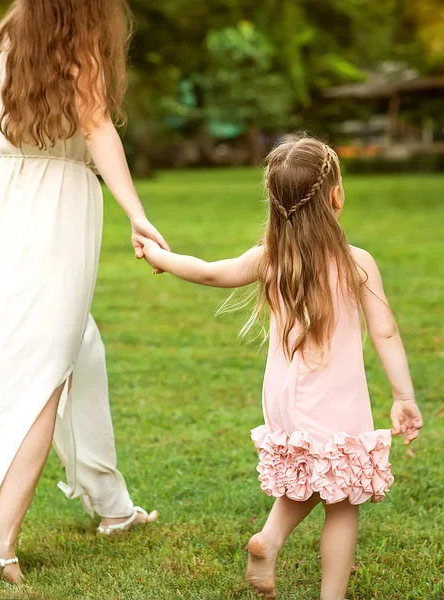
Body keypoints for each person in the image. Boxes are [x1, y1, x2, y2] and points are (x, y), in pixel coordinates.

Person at [136, 135, 423, 600]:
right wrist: (403, 396)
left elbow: (209, 271)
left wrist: (157, 256)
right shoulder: (357, 264)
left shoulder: (272, 258)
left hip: (284, 398)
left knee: (311, 475)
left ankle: (268, 541)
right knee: (343, 501)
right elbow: (386, 332)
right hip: (334, 399)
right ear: (336, 196)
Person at [0, 0, 164, 583]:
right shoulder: (79, 37)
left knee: (79, 350)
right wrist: (137, 214)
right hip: (57, 209)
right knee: (43, 373)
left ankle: (113, 507)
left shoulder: (8, 32)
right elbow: (96, 128)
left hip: (9, 201)